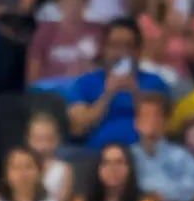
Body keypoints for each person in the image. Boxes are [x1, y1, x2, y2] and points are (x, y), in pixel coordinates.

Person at [66, 17, 171, 148]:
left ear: (138, 51)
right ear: (104, 49)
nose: (122, 53)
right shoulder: (85, 83)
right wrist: (108, 94)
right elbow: (78, 127)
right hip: (97, 155)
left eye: (128, 46)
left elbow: (161, 126)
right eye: (115, 46)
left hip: (144, 154)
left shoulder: (155, 82)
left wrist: (135, 92)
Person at [26, 0, 104, 89]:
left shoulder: (98, 31)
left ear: (85, 2)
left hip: (86, 91)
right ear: (59, 4)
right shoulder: (45, 31)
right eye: (65, 0)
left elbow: (106, 68)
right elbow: (33, 72)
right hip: (52, 92)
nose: (71, 5)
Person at [131, 93, 194, 201]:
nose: (151, 121)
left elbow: (193, 189)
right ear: (136, 123)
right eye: (146, 116)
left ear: (166, 122)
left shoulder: (182, 156)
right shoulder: (127, 156)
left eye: (156, 116)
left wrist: (163, 196)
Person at [25, 112, 73, 201]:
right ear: (29, 140)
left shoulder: (63, 169)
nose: (43, 146)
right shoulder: (20, 167)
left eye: (49, 139)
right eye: (38, 139)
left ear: (57, 140)